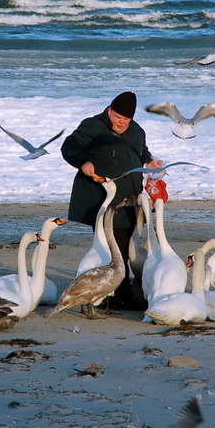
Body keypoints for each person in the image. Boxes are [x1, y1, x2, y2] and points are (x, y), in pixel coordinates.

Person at [61, 91, 162, 309]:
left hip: (130, 199)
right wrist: (83, 161)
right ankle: (119, 295)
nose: (121, 123)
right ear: (110, 111)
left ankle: (119, 293)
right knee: (112, 246)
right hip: (103, 200)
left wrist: (149, 161)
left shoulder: (137, 130)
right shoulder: (92, 126)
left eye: (126, 119)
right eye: (118, 117)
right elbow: (69, 146)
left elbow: (142, 151)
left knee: (125, 248)